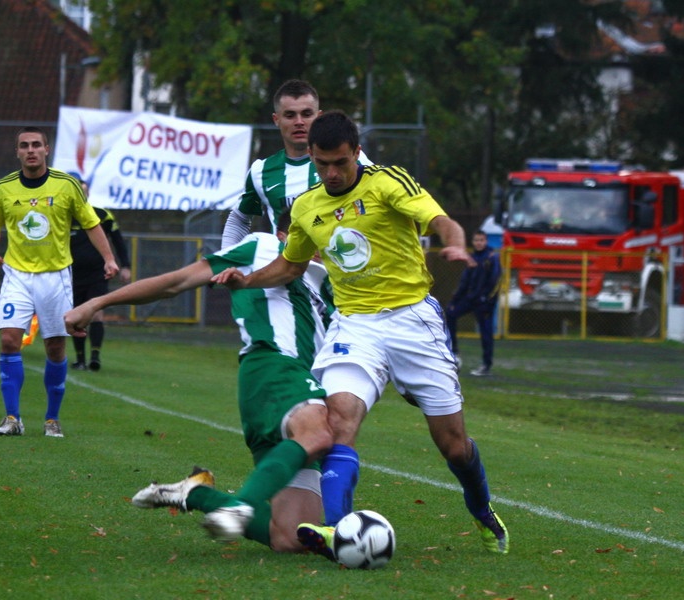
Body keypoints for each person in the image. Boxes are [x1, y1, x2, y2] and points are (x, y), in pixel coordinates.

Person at [214, 110, 509, 558]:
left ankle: (483, 509)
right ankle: (338, 529)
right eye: (322, 164)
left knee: (453, 446)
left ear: (356, 153)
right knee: (338, 422)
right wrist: (246, 279)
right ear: (311, 156)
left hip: (414, 321)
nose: (331, 173)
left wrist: (456, 241)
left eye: (340, 163)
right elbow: (292, 264)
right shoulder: (308, 206)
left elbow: (439, 219)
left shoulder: (389, 182)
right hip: (355, 325)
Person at [64, 212, 335, 552]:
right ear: (286, 232)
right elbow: (175, 281)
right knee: (319, 433)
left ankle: (197, 493)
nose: (322, 241)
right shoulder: (262, 246)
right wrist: (97, 302)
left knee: (291, 538)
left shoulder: (332, 284)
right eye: (314, 229)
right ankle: (237, 507)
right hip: (275, 367)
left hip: (292, 388)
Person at [0, 126, 119, 438]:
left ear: (46, 149)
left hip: (55, 277)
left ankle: (51, 419)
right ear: (17, 152)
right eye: (24, 146)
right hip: (17, 275)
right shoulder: (3, 188)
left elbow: (92, 224)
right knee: (8, 341)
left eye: (36, 145)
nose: (30, 150)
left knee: (55, 347)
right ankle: (12, 418)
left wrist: (109, 258)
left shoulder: (67, 185)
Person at [221, 79, 369, 247]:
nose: (299, 122)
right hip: (287, 269)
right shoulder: (261, 171)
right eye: (290, 115)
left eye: (306, 114)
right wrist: (227, 258)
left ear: (319, 117)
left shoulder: (352, 159)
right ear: (276, 119)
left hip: (339, 266)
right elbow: (239, 219)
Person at [69, 181, 132, 372]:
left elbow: (118, 241)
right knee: (76, 317)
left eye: (84, 191)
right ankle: (80, 360)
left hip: (98, 273)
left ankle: (95, 357)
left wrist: (125, 265)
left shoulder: (102, 215)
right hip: (72, 274)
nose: (82, 194)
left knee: (97, 313)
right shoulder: (64, 216)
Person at [446, 230, 501, 376]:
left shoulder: (492, 257)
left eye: (481, 240)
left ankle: (486, 364)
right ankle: (454, 351)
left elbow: (495, 282)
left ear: (486, 241)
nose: (479, 243)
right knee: (450, 313)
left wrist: (487, 300)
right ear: (473, 242)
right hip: (471, 299)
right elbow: (465, 281)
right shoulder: (472, 258)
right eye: (476, 240)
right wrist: (455, 299)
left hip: (484, 302)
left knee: (486, 333)